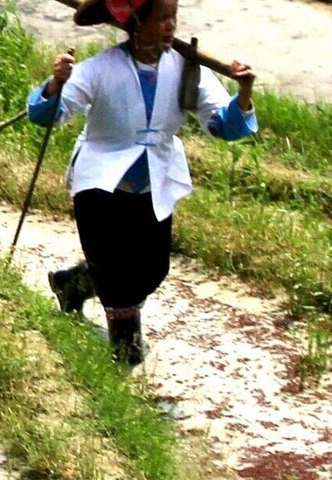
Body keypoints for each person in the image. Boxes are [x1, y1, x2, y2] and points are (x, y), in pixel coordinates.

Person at [31, 0, 258, 366]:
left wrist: (244, 92)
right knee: (115, 272)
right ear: (135, 22)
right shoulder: (100, 69)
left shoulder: (187, 69)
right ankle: (126, 357)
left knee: (152, 268)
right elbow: (50, 114)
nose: (170, 26)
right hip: (101, 184)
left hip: (155, 180)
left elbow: (223, 125)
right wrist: (56, 83)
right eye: (161, 19)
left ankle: (73, 284)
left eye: (173, 19)